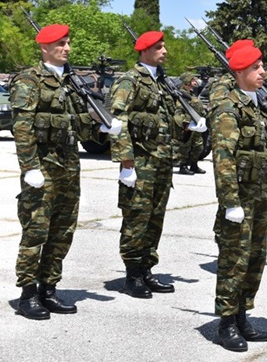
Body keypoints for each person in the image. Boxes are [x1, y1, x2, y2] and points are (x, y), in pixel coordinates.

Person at [10, 24, 122, 320]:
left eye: (68, 42)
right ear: (45, 47)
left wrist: (101, 127)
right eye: (61, 43)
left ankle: (49, 289)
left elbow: (77, 124)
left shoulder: (72, 83)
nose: (67, 48)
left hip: (69, 168)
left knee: (62, 232)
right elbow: (22, 128)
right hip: (43, 168)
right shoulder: (29, 80)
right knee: (36, 231)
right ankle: (28, 294)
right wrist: (30, 168)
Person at [210, 44, 267, 352]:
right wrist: (230, 202)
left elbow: (262, 154)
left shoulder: (258, 107)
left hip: (260, 196)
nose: (262, 71)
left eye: (261, 66)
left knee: (254, 260)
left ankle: (241, 315)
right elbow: (223, 159)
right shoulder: (229, 108)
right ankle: (225, 323)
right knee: (234, 261)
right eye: (256, 67)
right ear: (239, 72)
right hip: (239, 198)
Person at [109, 30, 207, 299]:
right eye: (159, 47)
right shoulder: (129, 81)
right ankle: (132, 275)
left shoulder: (164, 82)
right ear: (144, 51)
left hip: (162, 161)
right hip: (140, 161)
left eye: (164, 47)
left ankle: (146, 269)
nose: (165, 52)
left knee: (155, 219)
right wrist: (126, 162)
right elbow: (118, 121)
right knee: (137, 218)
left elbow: (166, 119)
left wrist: (188, 124)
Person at [176, 71, 206, 175]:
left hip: (196, 123)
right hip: (188, 124)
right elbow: (179, 111)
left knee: (198, 146)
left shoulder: (192, 93)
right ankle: (183, 166)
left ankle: (194, 165)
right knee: (185, 147)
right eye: (193, 79)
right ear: (187, 81)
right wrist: (185, 125)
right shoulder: (181, 94)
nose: (195, 81)